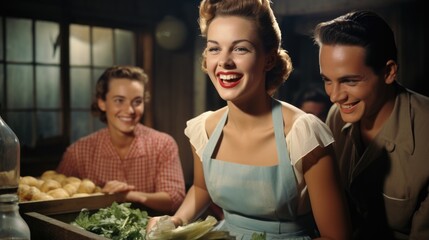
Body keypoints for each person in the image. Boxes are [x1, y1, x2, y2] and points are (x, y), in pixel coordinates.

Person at [147, 0, 351, 239]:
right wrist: (175, 221)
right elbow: (202, 188)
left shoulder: (302, 133)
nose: (224, 61)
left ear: (268, 59)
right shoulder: (205, 130)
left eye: (240, 48)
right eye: (214, 48)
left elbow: (337, 237)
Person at [313, 10, 429, 239]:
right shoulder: (337, 115)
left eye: (349, 81)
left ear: (388, 72)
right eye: (327, 80)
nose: (335, 96)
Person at [56, 65, 186, 214]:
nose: (130, 110)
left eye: (137, 101)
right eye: (119, 100)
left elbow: (175, 198)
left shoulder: (163, 144)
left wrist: (131, 196)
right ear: (102, 103)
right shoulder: (78, 152)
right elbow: (58, 199)